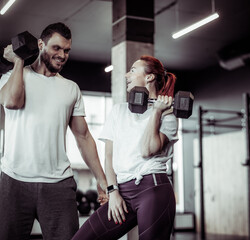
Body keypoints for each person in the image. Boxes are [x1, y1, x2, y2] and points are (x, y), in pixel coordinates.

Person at [0, 22, 108, 240]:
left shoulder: (70, 88)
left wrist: (102, 180)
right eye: (56, 48)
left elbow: (83, 136)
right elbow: (11, 101)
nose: (62, 55)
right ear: (40, 45)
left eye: (66, 50)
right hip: (14, 180)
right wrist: (19, 59)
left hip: (58, 184)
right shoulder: (12, 77)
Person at [72, 55, 178, 240]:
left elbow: (147, 149)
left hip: (153, 190)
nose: (127, 75)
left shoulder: (168, 116)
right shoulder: (119, 110)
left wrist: (157, 112)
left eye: (133, 70)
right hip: (122, 191)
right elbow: (109, 155)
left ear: (149, 77)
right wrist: (113, 192)